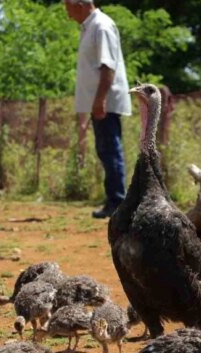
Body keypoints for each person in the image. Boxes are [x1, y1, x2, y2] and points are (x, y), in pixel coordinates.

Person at [64, 0, 132, 219]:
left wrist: (100, 100)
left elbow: (108, 66)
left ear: (81, 5)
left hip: (105, 102)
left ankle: (118, 203)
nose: (68, 15)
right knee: (105, 150)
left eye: (69, 8)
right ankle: (113, 200)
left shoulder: (101, 26)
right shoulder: (91, 26)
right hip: (99, 101)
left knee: (110, 150)